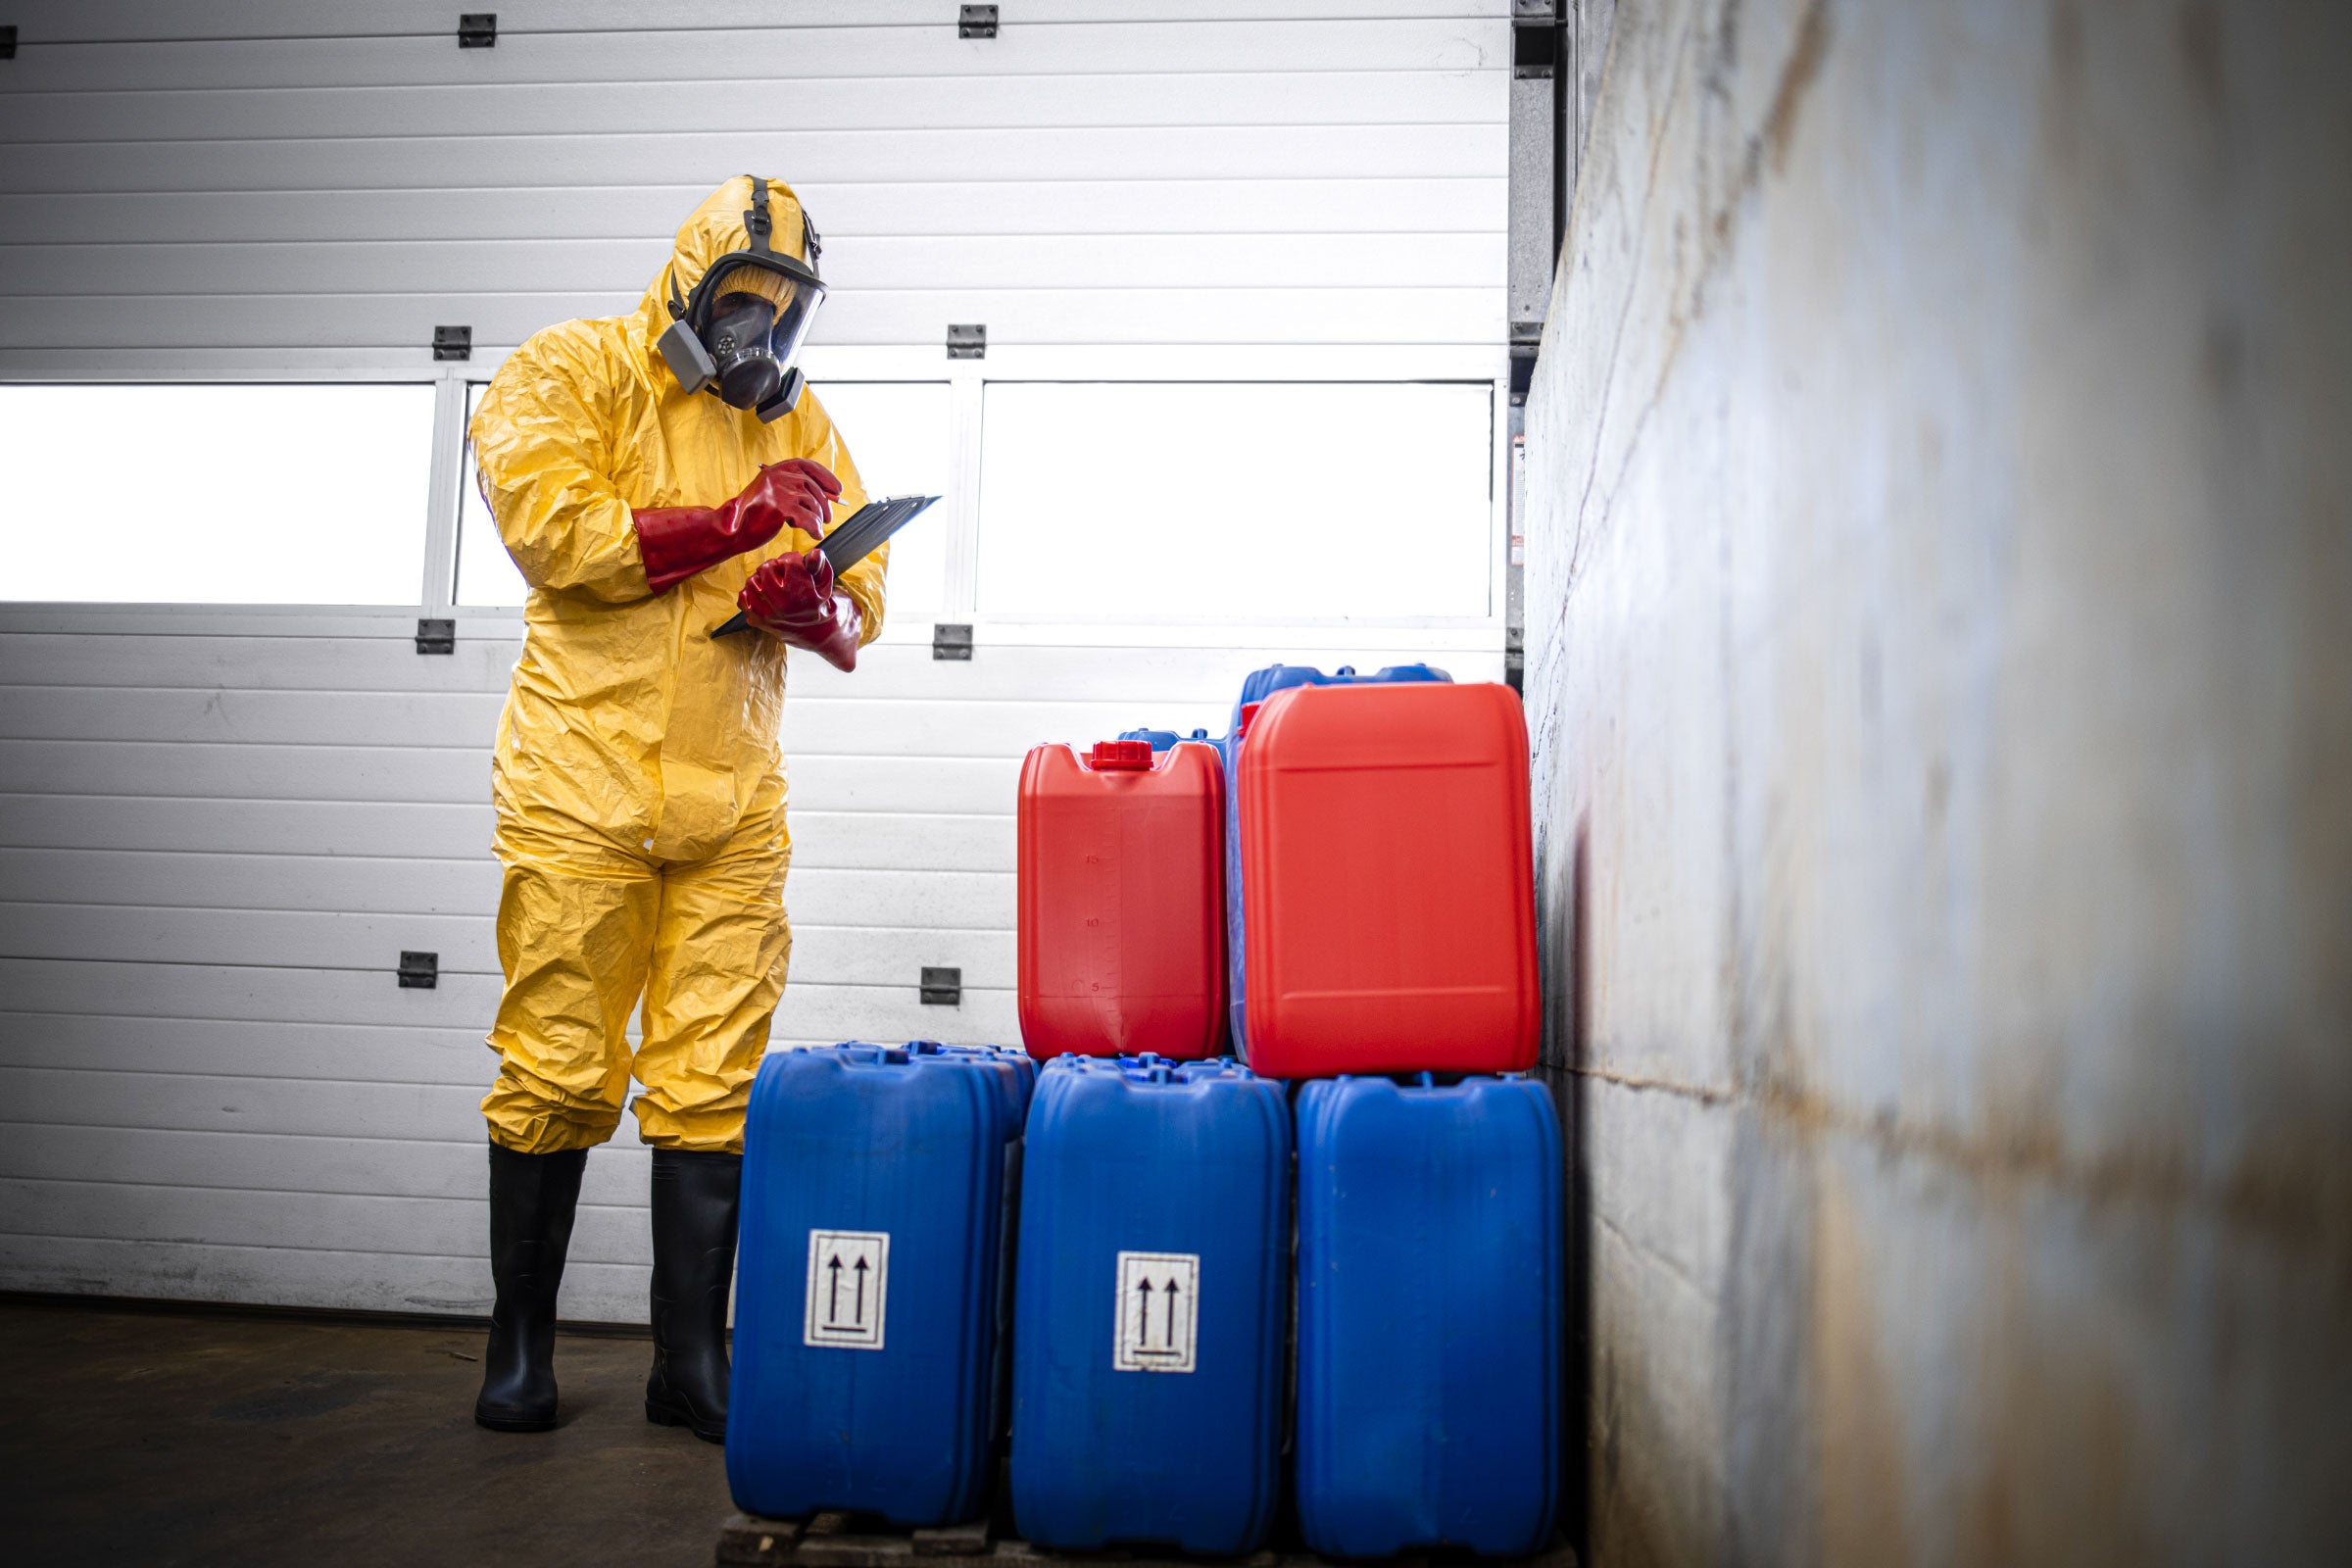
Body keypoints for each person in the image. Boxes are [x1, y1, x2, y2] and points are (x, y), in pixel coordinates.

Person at [462, 175, 886, 1441]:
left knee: (713, 1075)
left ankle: (687, 1363)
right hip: (580, 786)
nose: (763, 332)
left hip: (731, 796)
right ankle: (520, 1348)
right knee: (555, 1060)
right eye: (742, 303)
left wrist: (826, 611)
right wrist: (728, 524)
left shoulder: (801, 425)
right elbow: (560, 536)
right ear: (691, 291)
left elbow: (868, 589)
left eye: (783, 308)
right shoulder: (570, 372)